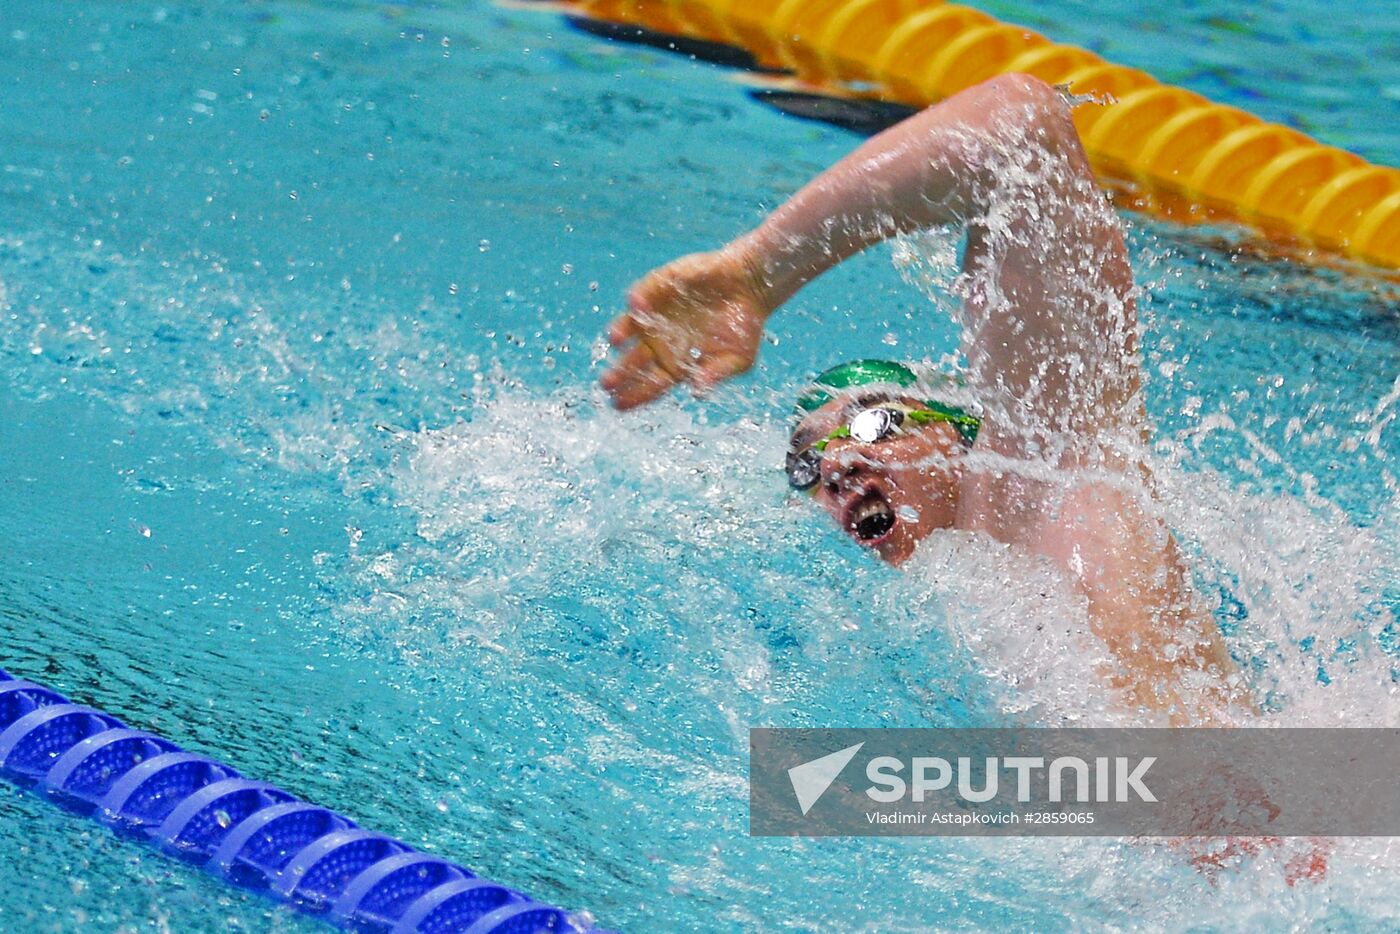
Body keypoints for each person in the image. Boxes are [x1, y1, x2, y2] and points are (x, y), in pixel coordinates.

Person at [599, 73, 1243, 724]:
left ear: (961, 432)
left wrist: (759, 272)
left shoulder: (1045, 479)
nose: (835, 465)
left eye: (876, 422)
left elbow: (1021, 127)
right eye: (804, 463)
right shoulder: (935, 637)